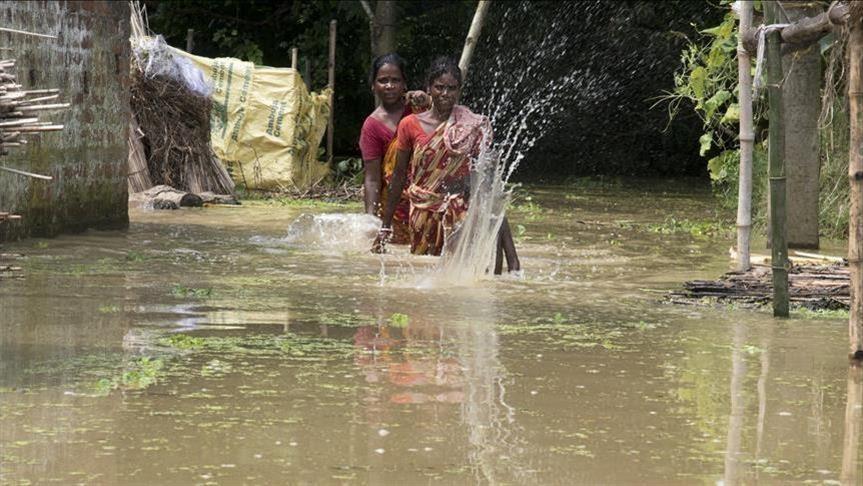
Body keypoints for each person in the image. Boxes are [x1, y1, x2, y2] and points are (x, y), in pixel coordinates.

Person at [372, 56, 519, 274]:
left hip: (459, 212)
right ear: (428, 88)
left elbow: (487, 187)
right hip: (422, 215)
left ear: (459, 90)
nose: (445, 94)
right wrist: (385, 226)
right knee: (423, 274)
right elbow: (399, 177)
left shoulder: (470, 126)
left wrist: (512, 257)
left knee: (460, 274)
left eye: (452, 88)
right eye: (439, 87)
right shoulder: (409, 125)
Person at [359, 53, 429, 244]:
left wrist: (426, 99)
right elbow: (372, 178)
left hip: (427, 200)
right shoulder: (372, 126)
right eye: (383, 81)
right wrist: (371, 219)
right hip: (395, 208)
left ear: (404, 84)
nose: (389, 86)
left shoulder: (419, 109)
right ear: (373, 86)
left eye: (395, 80)